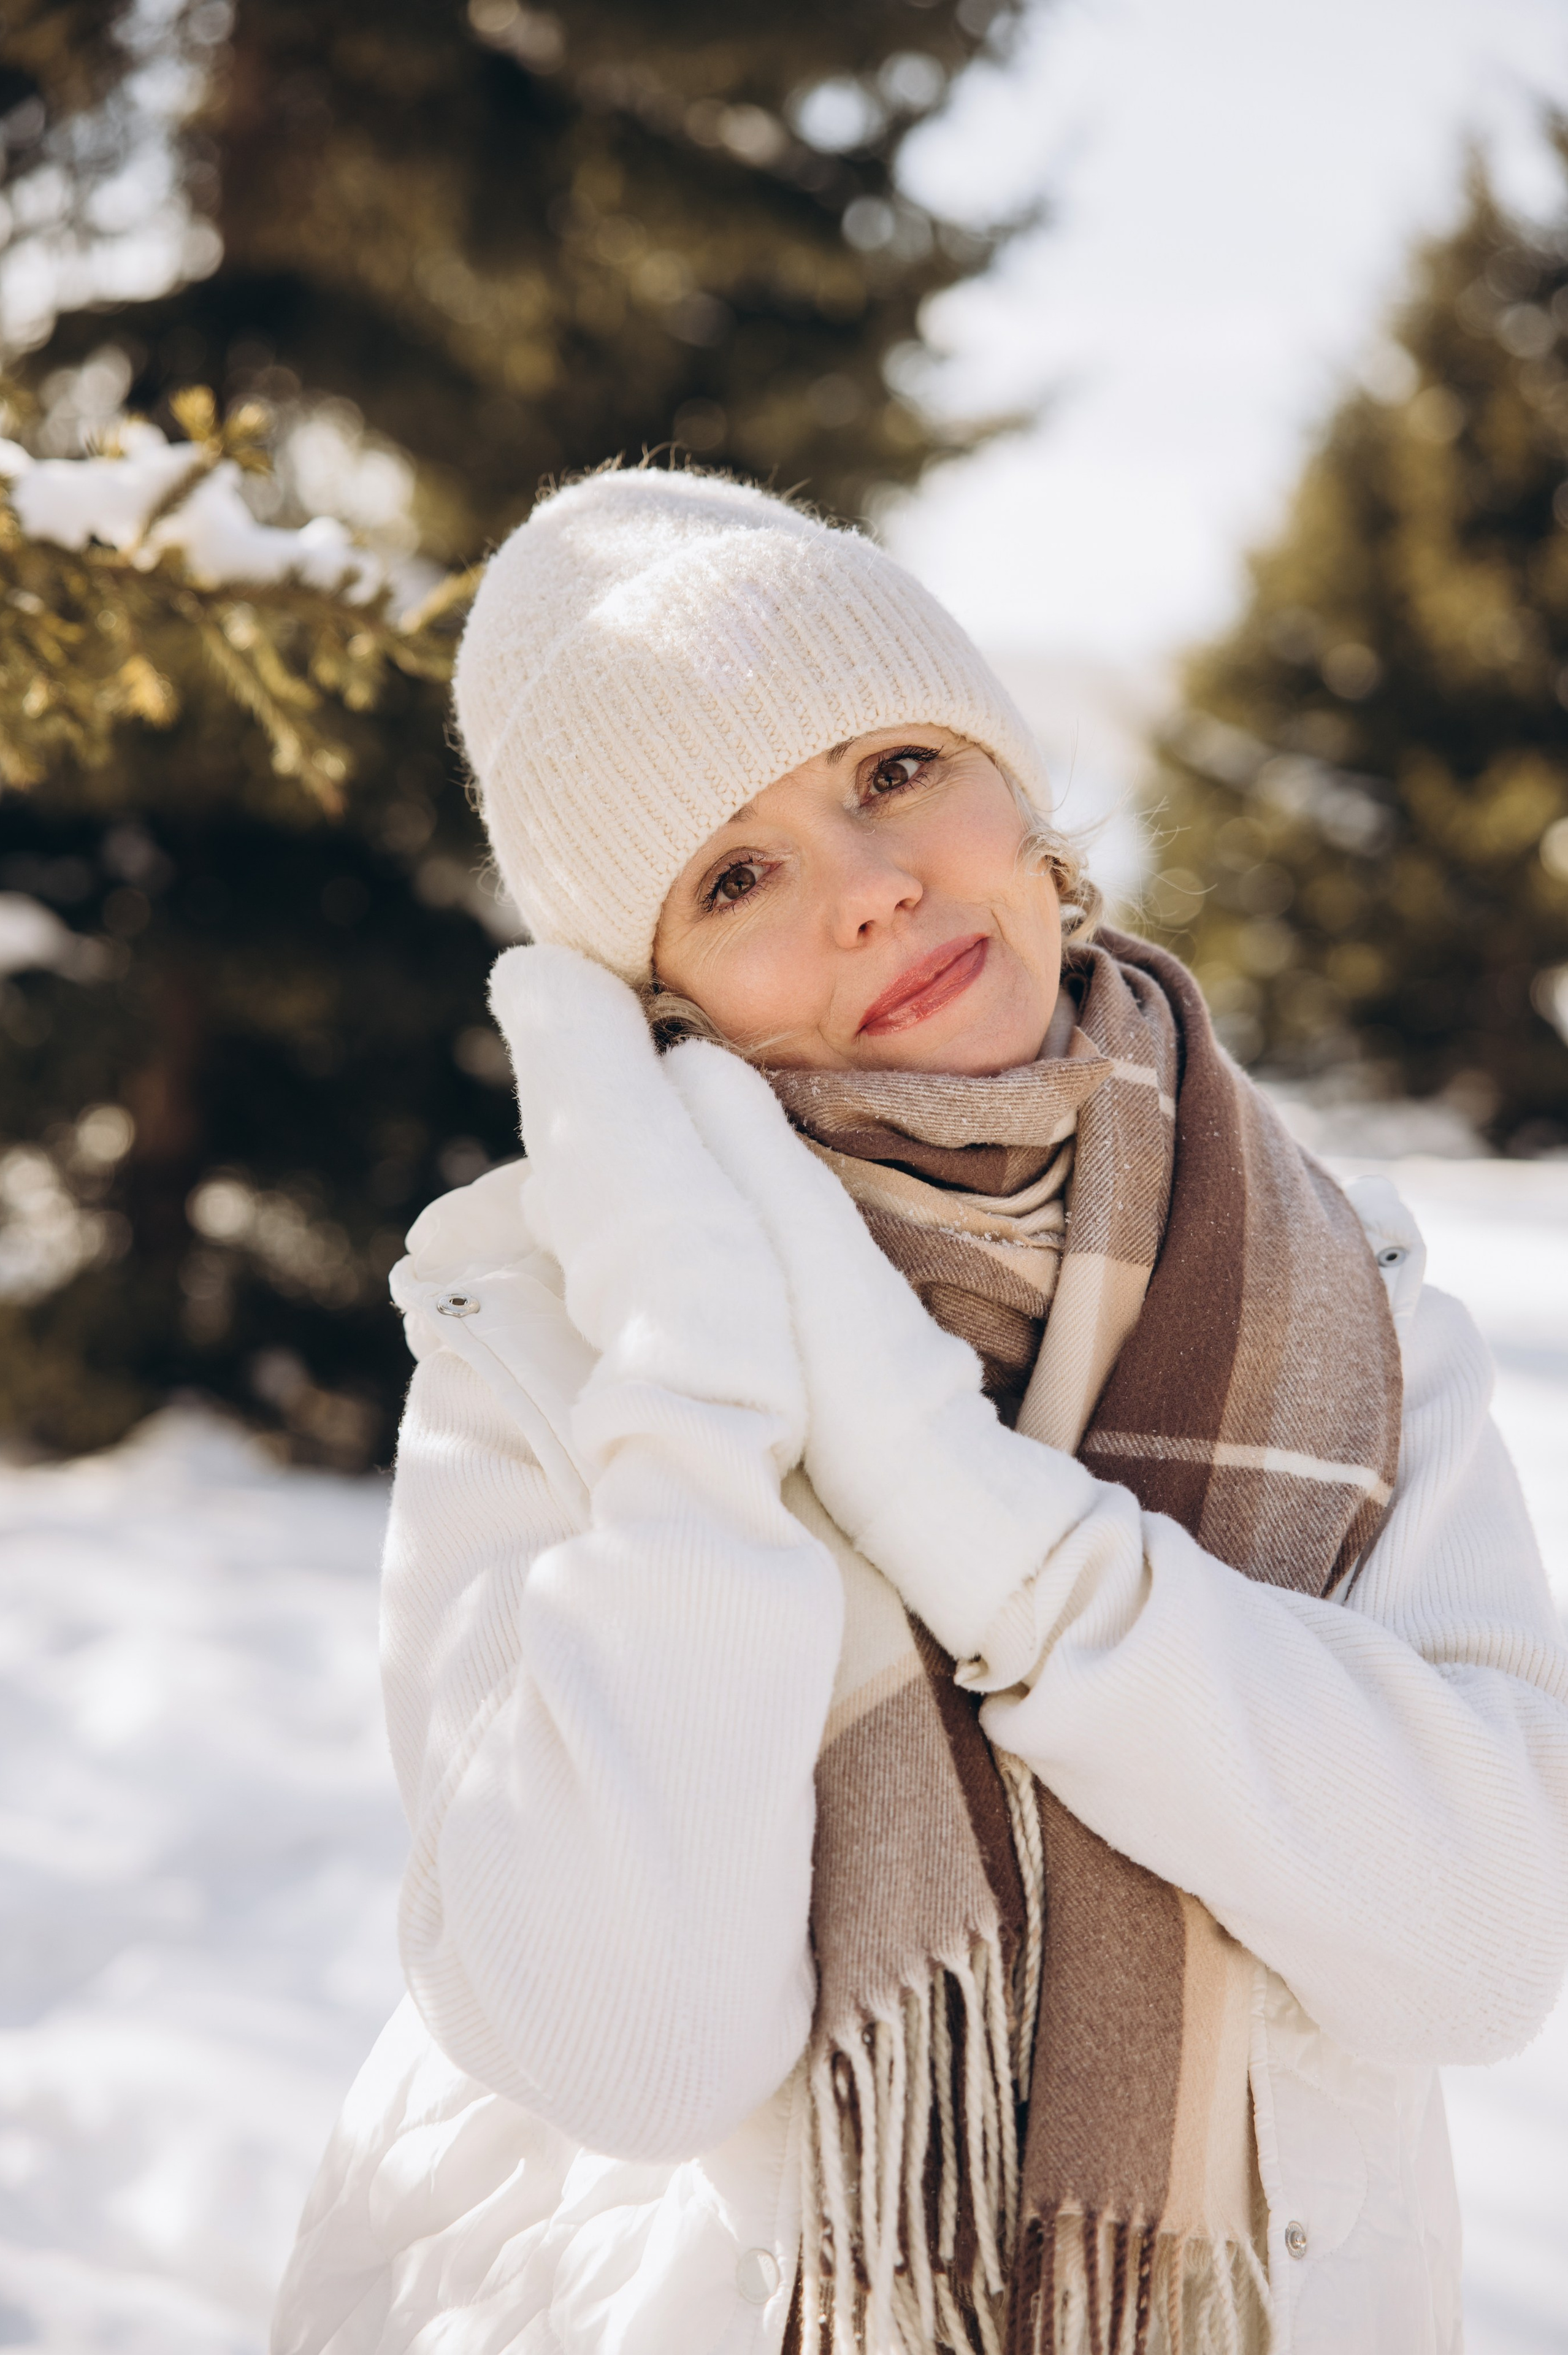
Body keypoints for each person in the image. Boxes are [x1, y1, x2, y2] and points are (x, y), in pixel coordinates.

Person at [271, 468, 1568, 2355]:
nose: (871, 888)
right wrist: (700, 1384)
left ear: (1018, 792)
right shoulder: (540, 1343)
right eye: (734, 877)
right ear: (657, 1006)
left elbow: (1477, 1940)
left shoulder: (1338, 1292)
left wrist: (955, 1506)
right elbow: (642, 2057)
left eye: (890, 770)